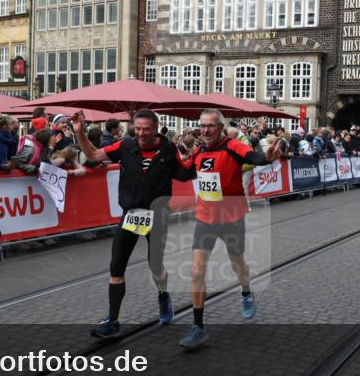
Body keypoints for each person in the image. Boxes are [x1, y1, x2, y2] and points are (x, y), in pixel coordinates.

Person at [73, 109, 196, 339]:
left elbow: (184, 173)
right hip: (130, 214)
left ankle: (162, 295)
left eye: (146, 129)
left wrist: (201, 158)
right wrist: (80, 133)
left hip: (157, 215)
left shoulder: (168, 149)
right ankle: (113, 320)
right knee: (116, 267)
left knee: (156, 267)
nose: (140, 133)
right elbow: (93, 155)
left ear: (156, 129)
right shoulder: (126, 145)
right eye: (137, 128)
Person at [178, 108, 281, 349]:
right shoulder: (200, 150)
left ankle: (246, 291)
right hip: (205, 218)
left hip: (231, 217)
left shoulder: (233, 146)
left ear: (220, 128)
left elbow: (252, 157)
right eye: (202, 126)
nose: (205, 130)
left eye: (210, 126)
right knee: (196, 272)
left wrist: (266, 157)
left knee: (238, 265)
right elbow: (184, 174)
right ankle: (198, 327)